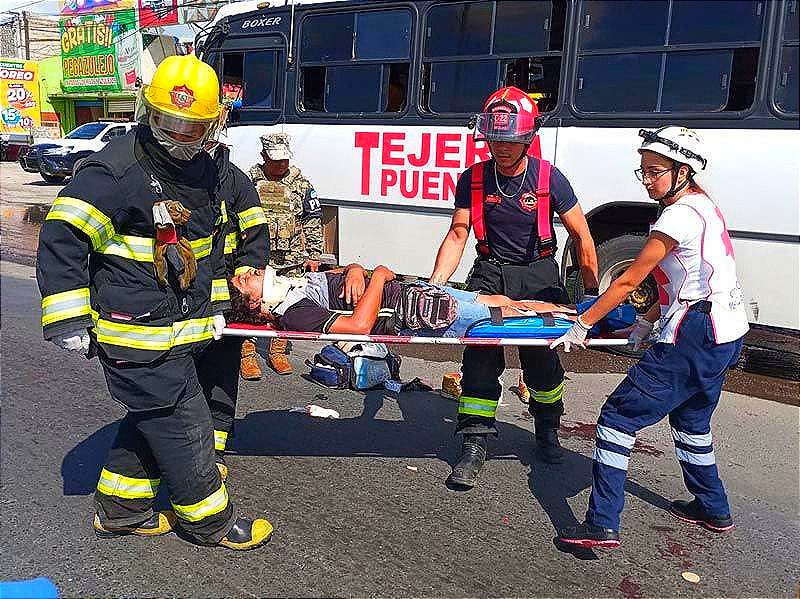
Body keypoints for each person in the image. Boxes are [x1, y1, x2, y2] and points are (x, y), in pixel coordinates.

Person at [36, 55, 272, 550]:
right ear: (148, 112)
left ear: (214, 124)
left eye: (194, 128)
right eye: (170, 124)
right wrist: (68, 318)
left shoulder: (212, 172)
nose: (181, 137)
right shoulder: (114, 172)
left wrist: (246, 272)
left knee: (153, 421)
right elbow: (62, 238)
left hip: (183, 329)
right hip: (135, 334)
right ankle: (210, 522)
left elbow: (231, 233)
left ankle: (122, 512)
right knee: (184, 427)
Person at [552, 126, 749, 548]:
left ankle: (601, 524)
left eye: (654, 171)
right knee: (692, 422)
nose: (646, 180)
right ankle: (714, 509)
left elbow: (627, 281)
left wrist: (583, 324)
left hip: (696, 334)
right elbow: (682, 279)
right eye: (642, 171)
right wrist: (644, 324)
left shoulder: (677, 216)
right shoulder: (703, 208)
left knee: (617, 418)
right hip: (726, 333)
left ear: (683, 171)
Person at [428, 86, 599, 488]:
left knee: (542, 361)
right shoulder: (471, 179)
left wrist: (591, 298)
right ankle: (473, 441)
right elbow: (457, 233)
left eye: (512, 140)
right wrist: (436, 286)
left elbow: (582, 236)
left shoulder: (548, 178)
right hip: (490, 274)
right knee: (481, 360)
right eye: (496, 139)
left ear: (528, 137)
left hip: (540, 276)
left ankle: (547, 428)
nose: (502, 147)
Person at [226, 264, 636, 340]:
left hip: (416, 294)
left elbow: (338, 279)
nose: (249, 274)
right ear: (257, 305)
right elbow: (358, 327)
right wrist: (380, 275)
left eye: (246, 273)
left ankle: (607, 314)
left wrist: (354, 268)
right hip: (418, 313)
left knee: (505, 299)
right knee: (508, 312)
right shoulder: (293, 314)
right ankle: (598, 318)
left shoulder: (294, 286)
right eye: (245, 282)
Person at [196, 125, 270, 481]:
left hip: (225, 302)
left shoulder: (236, 182)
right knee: (181, 377)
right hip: (181, 301)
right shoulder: (167, 178)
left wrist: (242, 285)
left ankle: (215, 449)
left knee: (221, 374)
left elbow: (255, 237)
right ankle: (184, 448)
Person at [240, 133, 323, 378]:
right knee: (251, 305)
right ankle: (247, 353)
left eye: (285, 159)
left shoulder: (302, 185)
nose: (281, 164)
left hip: (291, 259)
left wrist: (314, 253)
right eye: (276, 159)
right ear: (263, 156)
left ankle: (278, 351)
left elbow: (312, 220)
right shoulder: (248, 182)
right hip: (257, 257)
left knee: (287, 304)